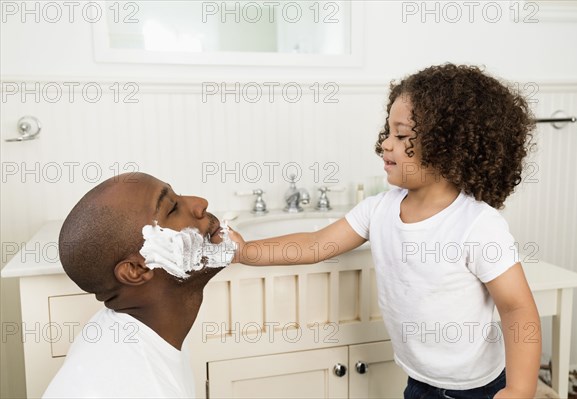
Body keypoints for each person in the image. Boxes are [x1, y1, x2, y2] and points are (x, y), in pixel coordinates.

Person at [234, 64, 542, 399]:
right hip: (419, 381)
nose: (385, 143)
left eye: (401, 135)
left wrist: (520, 389)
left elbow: (517, 308)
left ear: (447, 146)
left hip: (478, 388)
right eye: (387, 132)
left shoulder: (476, 224)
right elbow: (315, 243)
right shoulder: (378, 209)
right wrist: (245, 250)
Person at [44, 172, 228, 398]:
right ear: (136, 270)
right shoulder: (145, 387)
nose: (200, 203)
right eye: (172, 209)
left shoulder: (130, 332)